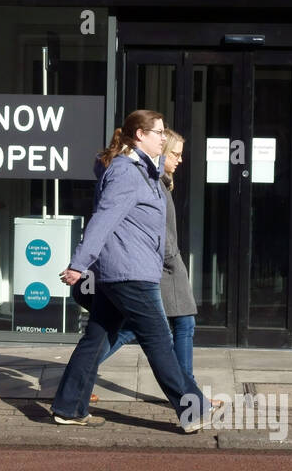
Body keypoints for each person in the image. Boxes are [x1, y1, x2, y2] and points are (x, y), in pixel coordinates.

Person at [51, 110, 210, 433]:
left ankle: (69, 407)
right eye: (159, 133)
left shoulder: (142, 171)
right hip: (129, 272)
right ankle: (193, 409)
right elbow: (104, 218)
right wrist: (78, 264)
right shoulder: (126, 172)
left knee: (95, 339)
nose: (164, 138)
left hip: (124, 270)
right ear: (140, 135)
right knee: (159, 341)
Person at [84, 130, 211, 403]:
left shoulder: (158, 181)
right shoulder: (149, 182)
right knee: (176, 327)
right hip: (159, 268)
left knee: (137, 328)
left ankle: (80, 378)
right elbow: (153, 231)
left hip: (156, 266)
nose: (180, 160)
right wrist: (170, 260)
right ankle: (191, 398)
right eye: (175, 154)